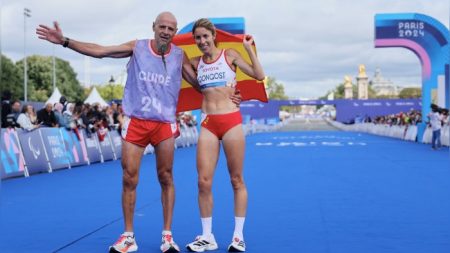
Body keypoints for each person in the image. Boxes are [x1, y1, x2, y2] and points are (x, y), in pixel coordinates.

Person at [36, 12, 241, 253]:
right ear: (154, 27)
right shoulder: (138, 47)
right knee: (129, 178)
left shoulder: (179, 55)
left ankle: (167, 236)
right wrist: (65, 41)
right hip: (136, 121)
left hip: (164, 123)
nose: (166, 31)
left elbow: (202, 85)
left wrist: (229, 92)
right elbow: (101, 51)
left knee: (166, 177)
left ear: (175, 33)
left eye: (171, 29)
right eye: (162, 26)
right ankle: (128, 237)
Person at [185, 18, 264, 252]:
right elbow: (173, 63)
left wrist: (248, 49)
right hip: (208, 123)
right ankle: (207, 236)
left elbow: (258, 74)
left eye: (205, 36)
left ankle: (238, 236)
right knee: (203, 181)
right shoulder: (194, 62)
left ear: (213, 36)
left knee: (236, 180)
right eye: (197, 38)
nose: (202, 41)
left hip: (231, 122)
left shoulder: (229, 55)